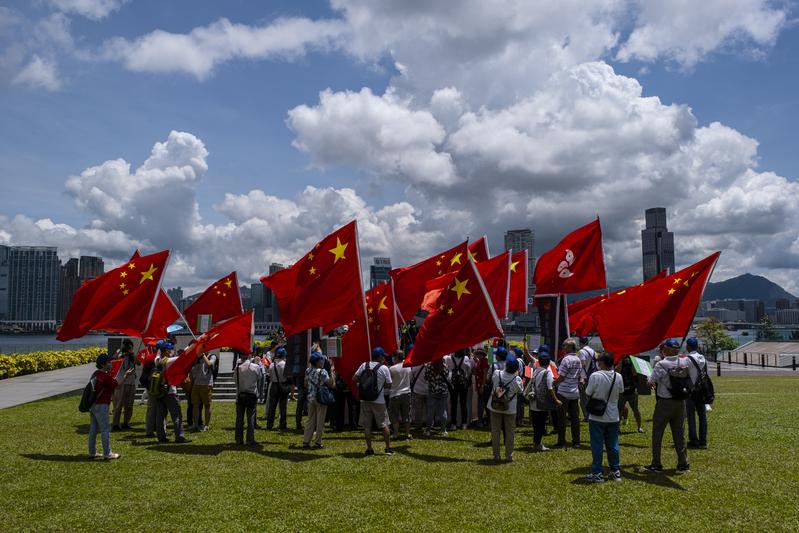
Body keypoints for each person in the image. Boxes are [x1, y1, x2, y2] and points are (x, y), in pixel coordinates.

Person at [645, 338, 690, 473]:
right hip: (680, 401)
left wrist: (648, 379)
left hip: (665, 401)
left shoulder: (661, 364)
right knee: (679, 433)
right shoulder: (684, 361)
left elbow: (651, 382)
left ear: (668, 350)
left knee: (657, 433)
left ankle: (656, 464)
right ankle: (683, 463)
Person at [584, 353, 624, 483]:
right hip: (613, 416)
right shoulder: (618, 376)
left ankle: (597, 472)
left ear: (601, 362)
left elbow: (588, 393)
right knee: (613, 444)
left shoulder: (595, 375)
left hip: (597, 416)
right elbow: (621, 391)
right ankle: (615, 470)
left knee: (597, 445)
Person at [88, 354, 134, 460]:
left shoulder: (95, 374)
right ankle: (107, 453)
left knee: (93, 429)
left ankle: (92, 452)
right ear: (103, 364)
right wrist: (126, 376)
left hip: (93, 405)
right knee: (105, 429)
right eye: (109, 362)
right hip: (102, 405)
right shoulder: (104, 376)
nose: (110, 364)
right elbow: (117, 386)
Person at [354, 348, 393, 455]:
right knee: (384, 424)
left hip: (365, 399)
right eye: (383, 356)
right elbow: (389, 384)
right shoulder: (384, 368)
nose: (384, 358)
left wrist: (364, 385)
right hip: (379, 400)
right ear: (380, 356)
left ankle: (369, 449)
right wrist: (380, 385)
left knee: (367, 426)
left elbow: (355, 378)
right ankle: (388, 448)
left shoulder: (364, 365)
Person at [487, 354, 523, 462]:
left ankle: (496, 455)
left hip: (495, 406)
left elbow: (492, 381)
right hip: (510, 408)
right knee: (510, 432)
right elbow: (520, 391)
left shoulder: (496, 373)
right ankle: (509, 455)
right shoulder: (517, 379)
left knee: (495, 430)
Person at [153, 343, 190, 444]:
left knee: (160, 416)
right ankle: (180, 436)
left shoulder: (157, 361)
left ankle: (161, 437)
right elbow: (183, 356)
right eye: (171, 349)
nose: (173, 351)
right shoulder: (169, 361)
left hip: (159, 392)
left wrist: (158, 352)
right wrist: (190, 346)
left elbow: (157, 356)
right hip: (170, 392)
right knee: (177, 415)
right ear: (167, 351)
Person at [527, 350, 560, 451]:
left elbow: (528, 377)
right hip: (541, 402)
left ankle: (536, 442)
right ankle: (538, 444)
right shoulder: (549, 370)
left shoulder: (535, 368)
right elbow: (551, 387)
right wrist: (556, 400)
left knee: (536, 424)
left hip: (533, 400)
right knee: (541, 424)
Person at [554, 339, 583, 448]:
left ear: (570, 347)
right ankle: (576, 441)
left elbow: (561, 377)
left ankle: (561, 442)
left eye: (564, 345)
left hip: (563, 392)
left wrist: (554, 383)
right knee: (575, 418)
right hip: (574, 392)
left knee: (562, 418)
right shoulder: (578, 359)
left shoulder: (566, 360)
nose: (562, 347)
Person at [303, 351, 335, 448]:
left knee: (310, 420)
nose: (322, 362)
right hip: (320, 398)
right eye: (321, 360)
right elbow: (331, 384)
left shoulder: (307, 370)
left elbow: (305, 384)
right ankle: (318, 442)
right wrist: (332, 372)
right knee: (320, 421)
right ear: (316, 361)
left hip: (311, 397)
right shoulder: (322, 372)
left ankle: (306, 441)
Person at [684, 337, 708, 449]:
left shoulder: (687, 359)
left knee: (691, 416)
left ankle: (693, 439)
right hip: (701, 390)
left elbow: (684, 374)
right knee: (702, 416)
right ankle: (703, 440)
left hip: (691, 390)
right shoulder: (702, 358)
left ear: (688, 346)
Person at [235, 352, 260, 446]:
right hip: (251, 394)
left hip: (241, 395)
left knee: (239, 418)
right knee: (251, 419)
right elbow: (259, 377)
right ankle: (250, 440)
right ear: (249, 356)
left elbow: (235, 381)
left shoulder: (237, 368)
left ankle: (238, 439)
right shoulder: (255, 367)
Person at [112, 339, 138, 430]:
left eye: (130, 347)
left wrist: (132, 355)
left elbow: (138, 363)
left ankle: (126, 422)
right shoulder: (119, 352)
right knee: (118, 404)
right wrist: (124, 353)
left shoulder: (132, 355)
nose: (129, 348)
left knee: (129, 404)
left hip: (131, 382)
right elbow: (115, 359)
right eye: (127, 346)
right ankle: (115, 424)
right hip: (121, 382)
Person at [189, 350, 217, 432]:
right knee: (195, 405)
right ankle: (196, 424)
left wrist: (203, 355)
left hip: (206, 384)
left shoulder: (212, 356)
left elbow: (209, 364)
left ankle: (206, 425)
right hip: (196, 383)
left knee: (207, 405)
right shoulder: (197, 357)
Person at [445, 349, 472, 430]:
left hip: (453, 384)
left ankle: (453, 423)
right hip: (463, 384)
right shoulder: (466, 358)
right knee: (463, 404)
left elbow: (447, 369)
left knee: (453, 404)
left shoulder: (449, 358)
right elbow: (469, 370)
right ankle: (464, 423)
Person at [389, 350, 413, 440]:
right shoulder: (408, 367)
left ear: (396, 357)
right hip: (406, 393)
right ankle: (407, 434)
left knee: (394, 415)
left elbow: (389, 381)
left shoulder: (392, 368)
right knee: (406, 414)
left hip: (395, 394)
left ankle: (396, 434)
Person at [617, 356, 644, 433]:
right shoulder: (619, 359)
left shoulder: (632, 360)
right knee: (619, 410)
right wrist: (621, 360)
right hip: (622, 391)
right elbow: (617, 371)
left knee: (635, 409)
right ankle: (617, 428)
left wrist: (632, 361)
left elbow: (635, 374)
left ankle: (639, 427)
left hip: (632, 390)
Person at [424, 358, 450, 437]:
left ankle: (428, 430)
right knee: (443, 411)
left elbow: (426, 378)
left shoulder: (428, 367)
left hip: (432, 391)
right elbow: (447, 377)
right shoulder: (445, 367)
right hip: (443, 391)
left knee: (430, 412)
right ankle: (443, 430)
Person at [266, 347, 290, 430]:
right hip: (283, 385)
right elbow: (287, 376)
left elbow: (269, 375)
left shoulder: (272, 364)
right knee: (283, 407)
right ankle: (282, 424)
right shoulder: (285, 365)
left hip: (274, 385)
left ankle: (269, 424)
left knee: (272, 407)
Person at [578, 337, 597, 421]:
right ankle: (592, 414)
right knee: (591, 397)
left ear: (581, 343)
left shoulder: (582, 351)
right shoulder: (592, 351)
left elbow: (583, 364)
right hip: (592, 376)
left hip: (584, 377)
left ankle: (587, 416)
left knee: (583, 398)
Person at [471, 348, 489, 427]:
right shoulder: (480, 361)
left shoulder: (484, 361)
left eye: (479, 353)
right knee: (482, 403)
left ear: (482, 354)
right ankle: (482, 420)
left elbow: (485, 374)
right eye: (477, 353)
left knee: (482, 403)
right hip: (479, 384)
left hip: (482, 385)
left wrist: (482, 385)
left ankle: (481, 421)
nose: (478, 355)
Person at [410, 361, 429, 429]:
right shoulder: (430, 366)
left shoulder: (415, 366)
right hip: (428, 390)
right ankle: (429, 424)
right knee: (429, 409)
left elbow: (411, 378)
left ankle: (418, 424)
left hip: (417, 390)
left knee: (418, 409)